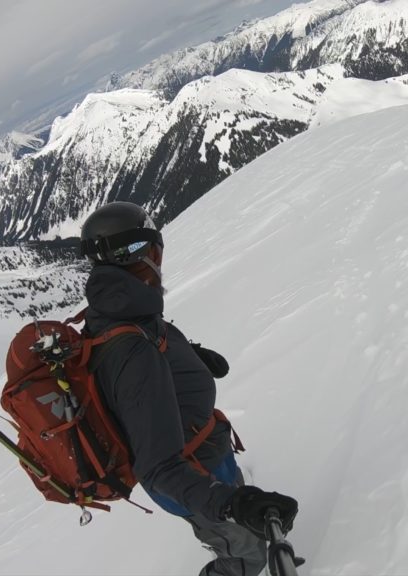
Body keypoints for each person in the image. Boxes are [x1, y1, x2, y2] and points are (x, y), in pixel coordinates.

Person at [78, 201, 298, 576]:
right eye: (154, 248)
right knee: (246, 558)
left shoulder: (120, 308)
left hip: (206, 454)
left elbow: (143, 354)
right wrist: (232, 504)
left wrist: (190, 357)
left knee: (243, 532)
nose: (159, 258)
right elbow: (161, 467)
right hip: (192, 477)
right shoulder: (132, 349)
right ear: (141, 253)